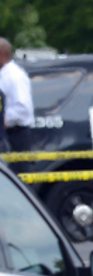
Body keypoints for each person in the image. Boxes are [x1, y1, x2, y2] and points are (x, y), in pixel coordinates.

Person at [0, 38, 35, 174]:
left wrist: (3, 119)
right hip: (7, 134)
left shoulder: (15, 76)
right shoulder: (4, 75)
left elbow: (23, 109)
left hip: (16, 135)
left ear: (1, 55)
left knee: (17, 177)